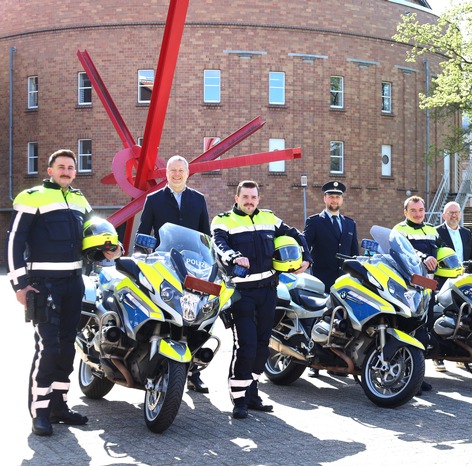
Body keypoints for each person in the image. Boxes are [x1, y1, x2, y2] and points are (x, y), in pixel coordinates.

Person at [6, 149, 122, 436]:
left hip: (74, 283)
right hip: (43, 284)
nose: (67, 171)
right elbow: (13, 243)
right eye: (61, 167)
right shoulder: (32, 197)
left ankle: (59, 406)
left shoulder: (80, 199)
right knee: (49, 348)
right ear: (50, 171)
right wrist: (20, 285)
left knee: (69, 346)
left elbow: (88, 242)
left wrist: (108, 251)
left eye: (71, 167)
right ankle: (40, 412)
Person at [212, 180, 312, 419]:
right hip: (241, 293)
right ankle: (239, 400)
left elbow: (296, 234)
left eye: (253, 197)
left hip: (268, 291)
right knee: (245, 346)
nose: (249, 201)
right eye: (245, 197)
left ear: (258, 199)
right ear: (236, 198)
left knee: (262, 346)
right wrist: (234, 256)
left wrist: (306, 257)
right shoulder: (223, 220)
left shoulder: (269, 218)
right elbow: (219, 244)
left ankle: (252, 393)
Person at [137, 154, 212, 393]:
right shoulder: (153, 199)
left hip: (193, 269)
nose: (177, 174)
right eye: (173, 170)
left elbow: (205, 236)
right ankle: (156, 360)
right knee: (166, 313)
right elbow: (143, 232)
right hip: (163, 266)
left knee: (197, 318)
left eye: (181, 170)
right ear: (166, 173)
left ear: (187, 173)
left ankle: (193, 371)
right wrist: (140, 256)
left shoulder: (198, 200)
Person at [304, 181, 359, 377]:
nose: (334, 200)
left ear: (342, 200)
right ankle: (314, 361)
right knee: (319, 319)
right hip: (322, 279)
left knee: (342, 322)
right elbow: (306, 246)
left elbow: (354, 254)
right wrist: (305, 262)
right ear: (325, 198)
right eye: (331, 196)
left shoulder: (349, 223)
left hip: (343, 282)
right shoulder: (315, 222)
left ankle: (338, 361)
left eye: (338, 197)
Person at [393, 196, 440, 394]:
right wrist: (423, 257)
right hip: (407, 290)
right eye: (413, 211)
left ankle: (418, 377)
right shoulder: (398, 231)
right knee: (406, 332)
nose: (418, 214)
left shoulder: (432, 230)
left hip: (427, 290)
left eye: (421, 210)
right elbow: (402, 253)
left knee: (423, 333)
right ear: (405, 212)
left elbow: (441, 252)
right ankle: (405, 378)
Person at [433, 201, 472, 372]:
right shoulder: (436, 233)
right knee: (444, 316)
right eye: (450, 213)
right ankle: (438, 357)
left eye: (456, 212)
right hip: (444, 281)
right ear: (444, 215)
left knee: (465, 317)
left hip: (463, 280)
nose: (454, 215)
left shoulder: (466, 233)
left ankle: (462, 356)